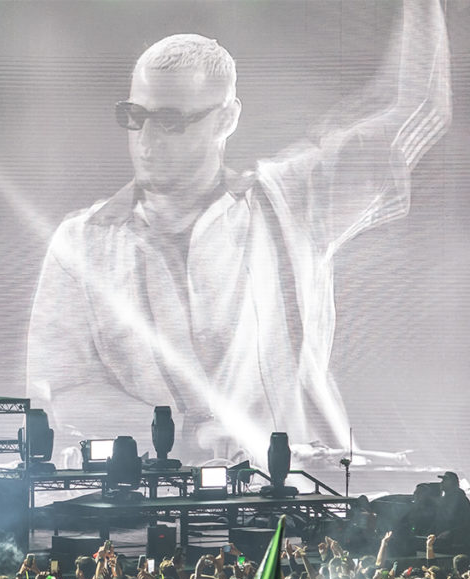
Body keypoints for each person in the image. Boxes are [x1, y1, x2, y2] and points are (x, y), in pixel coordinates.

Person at [26, 2, 450, 466]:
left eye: (170, 121)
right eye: (134, 116)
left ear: (227, 119)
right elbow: (59, 388)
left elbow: (416, 108)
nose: (146, 140)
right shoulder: (80, 245)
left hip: (295, 503)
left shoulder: (292, 203)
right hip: (153, 509)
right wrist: (185, 431)